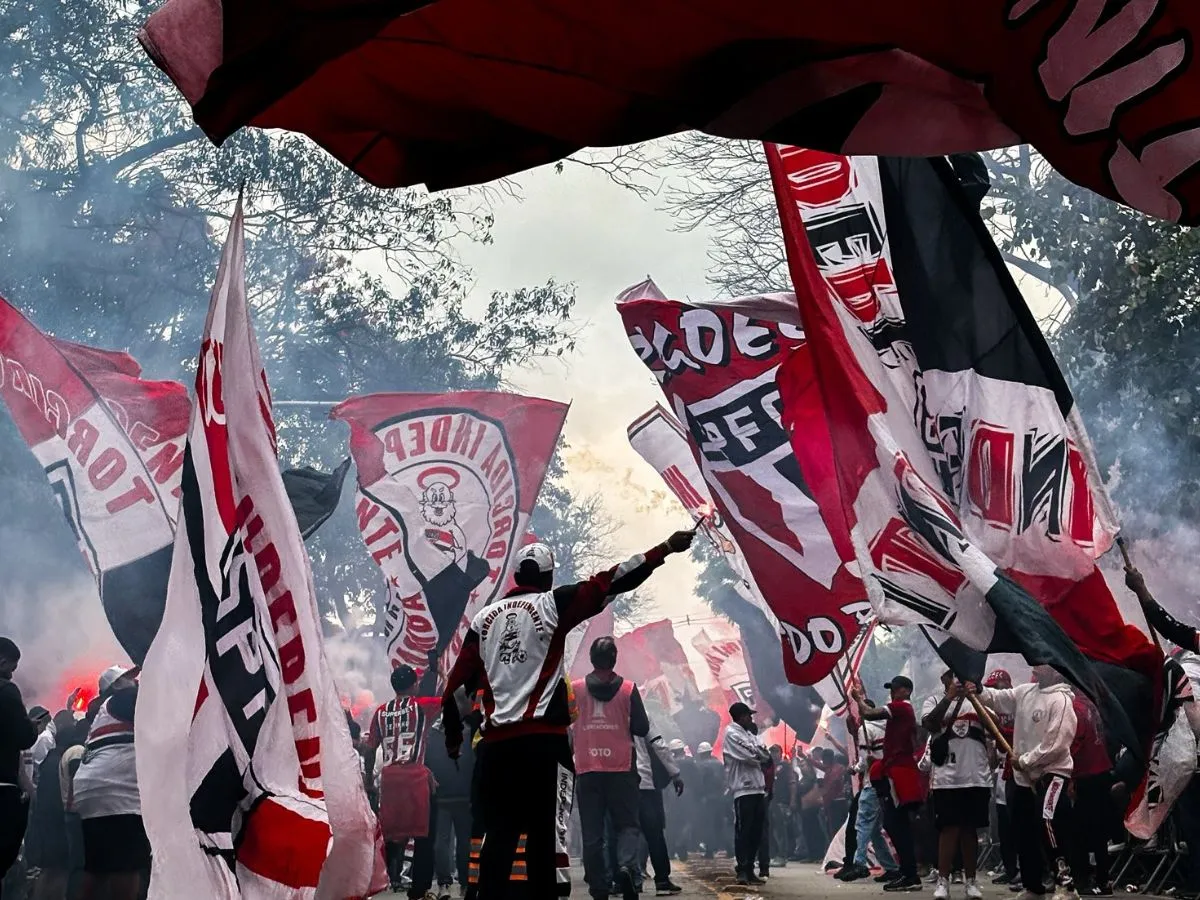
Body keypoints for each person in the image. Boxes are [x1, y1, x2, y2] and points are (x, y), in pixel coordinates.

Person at [442, 532, 695, 900]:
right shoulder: (552, 604)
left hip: (495, 750)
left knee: (498, 837)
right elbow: (614, 579)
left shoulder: (484, 620)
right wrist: (666, 549)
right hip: (545, 746)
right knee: (545, 837)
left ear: (516, 575)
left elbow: (456, 685)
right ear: (547, 577)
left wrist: (453, 741)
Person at [978, 667, 1077, 900]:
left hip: (1052, 774)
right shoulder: (1024, 692)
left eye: (1042, 662)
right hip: (1022, 777)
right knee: (1022, 829)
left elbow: (1056, 744)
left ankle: (1066, 884)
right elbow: (996, 699)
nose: (1035, 666)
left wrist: (1025, 760)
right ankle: (1033, 887)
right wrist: (978, 689)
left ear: (1055, 671)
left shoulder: (1061, 700)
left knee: (1047, 820)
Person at [570, 635, 650, 900]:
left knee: (592, 834)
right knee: (627, 825)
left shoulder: (576, 689)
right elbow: (642, 728)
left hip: (587, 768)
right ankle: (627, 866)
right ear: (614, 659)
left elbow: (563, 725)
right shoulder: (628, 689)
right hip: (621, 768)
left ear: (592, 659)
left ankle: (598, 887)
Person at [71, 665, 147, 900]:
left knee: (98, 867)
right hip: (117, 791)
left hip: (92, 789)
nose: (135, 682)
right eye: (127, 678)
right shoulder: (124, 698)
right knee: (127, 864)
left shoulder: (103, 710)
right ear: (115, 685)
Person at [367, 663, 441, 898]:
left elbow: (370, 749)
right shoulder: (421, 706)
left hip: (389, 780)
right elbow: (448, 697)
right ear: (414, 685)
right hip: (415, 778)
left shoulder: (380, 712)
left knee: (391, 835)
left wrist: (369, 778)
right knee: (423, 836)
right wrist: (442, 673)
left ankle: (385, 881)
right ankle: (418, 890)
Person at [920, 670, 990, 900]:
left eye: (960, 676)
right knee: (948, 829)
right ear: (944, 679)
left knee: (970, 829)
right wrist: (949, 698)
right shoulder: (933, 701)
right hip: (947, 778)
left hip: (976, 775)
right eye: (952, 676)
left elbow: (995, 724)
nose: (957, 680)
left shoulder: (976, 701)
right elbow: (929, 724)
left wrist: (975, 697)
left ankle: (971, 881)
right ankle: (943, 881)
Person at [854, 675, 924, 892]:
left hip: (899, 774)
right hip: (894, 771)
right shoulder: (901, 711)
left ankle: (910, 874)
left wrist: (858, 698)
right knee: (894, 823)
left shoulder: (902, 707)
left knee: (896, 823)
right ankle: (906, 871)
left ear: (906, 690)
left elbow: (867, 713)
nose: (892, 692)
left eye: (896, 688)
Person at [838, 712, 899, 882]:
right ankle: (891, 867)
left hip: (872, 783)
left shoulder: (867, 729)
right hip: (888, 782)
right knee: (874, 830)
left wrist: (854, 769)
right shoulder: (887, 729)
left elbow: (865, 761)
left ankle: (860, 863)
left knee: (863, 824)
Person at [0, 638, 37, 899]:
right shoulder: (6, 691)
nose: (12, 673)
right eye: (12, 666)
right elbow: (24, 736)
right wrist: (33, 726)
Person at [1068, 690, 1113, 897]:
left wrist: (1070, 777)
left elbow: (1074, 744)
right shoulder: (1092, 705)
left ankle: (1084, 880)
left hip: (1085, 774)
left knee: (1078, 832)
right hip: (1101, 771)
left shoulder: (1076, 707)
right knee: (1099, 832)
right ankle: (1104, 880)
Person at [427, 704, 474, 899]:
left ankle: (449, 884)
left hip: (449, 796)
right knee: (460, 843)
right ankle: (460, 884)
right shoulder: (469, 733)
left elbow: (428, 763)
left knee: (446, 842)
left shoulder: (433, 736)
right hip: (456, 796)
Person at [722, 702, 770, 886]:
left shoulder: (750, 735)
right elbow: (752, 756)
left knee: (756, 832)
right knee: (744, 831)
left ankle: (750, 868)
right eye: (748, 716)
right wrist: (761, 756)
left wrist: (761, 756)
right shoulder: (731, 733)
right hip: (743, 789)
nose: (751, 718)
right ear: (741, 717)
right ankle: (742, 869)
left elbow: (765, 755)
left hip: (758, 787)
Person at [633, 727, 684, 896]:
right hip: (644, 782)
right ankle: (662, 881)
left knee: (623, 833)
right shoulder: (640, 712)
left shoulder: (601, 709)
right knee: (654, 833)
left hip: (617, 782)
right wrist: (675, 773)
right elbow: (659, 744)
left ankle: (628, 881)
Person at [692, 741, 724, 859]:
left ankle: (709, 850)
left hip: (706, 799)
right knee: (718, 823)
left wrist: (699, 797)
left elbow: (699, 783)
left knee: (707, 824)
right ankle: (725, 848)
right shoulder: (719, 763)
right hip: (720, 797)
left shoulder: (701, 765)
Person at [665, 740, 696, 861]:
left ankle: (671, 851)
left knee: (672, 823)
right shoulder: (690, 762)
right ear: (682, 749)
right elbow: (697, 779)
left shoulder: (669, 762)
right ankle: (681, 845)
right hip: (687, 795)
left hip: (672, 795)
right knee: (688, 821)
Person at [766, 745, 795, 869]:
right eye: (771, 752)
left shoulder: (785, 767)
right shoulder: (768, 767)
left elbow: (792, 783)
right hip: (771, 801)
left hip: (782, 802)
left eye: (776, 751)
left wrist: (792, 801)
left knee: (780, 830)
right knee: (771, 829)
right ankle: (773, 854)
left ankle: (782, 856)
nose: (773, 754)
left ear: (781, 753)